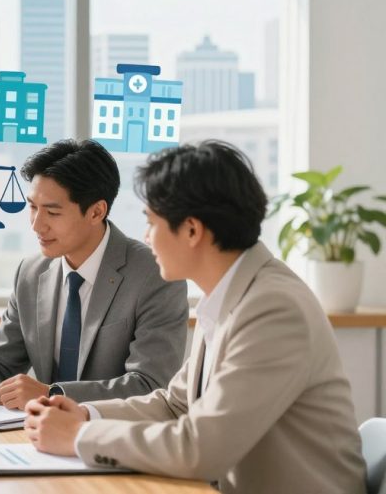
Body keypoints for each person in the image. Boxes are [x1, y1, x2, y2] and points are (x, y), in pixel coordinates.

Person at [24, 140, 366, 494]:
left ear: (191, 230)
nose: (145, 237)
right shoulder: (227, 294)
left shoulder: (274, 309)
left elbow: (201, 448)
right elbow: (175, 405)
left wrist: (80, 436)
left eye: (152, 222)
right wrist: (87, 415)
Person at [0, 139, 188, 412]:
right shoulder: (30, 273)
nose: (36, 225)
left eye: (52, 212)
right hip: (40, 438)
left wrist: (53, 393)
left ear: (96, 211)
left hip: (116, 439)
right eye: (32, 207)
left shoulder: (156, 274)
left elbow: (150, 384)